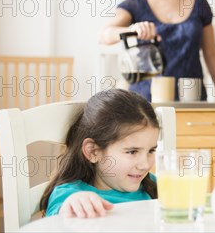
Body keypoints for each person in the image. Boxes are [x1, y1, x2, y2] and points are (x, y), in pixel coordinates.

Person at [40, 89, 160, 217]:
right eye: (132, 152)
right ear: (93, 152)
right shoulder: (70, 196)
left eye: (151, 150)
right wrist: (73, 206)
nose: (145, 165)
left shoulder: (151, 183)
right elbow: (57, 223)